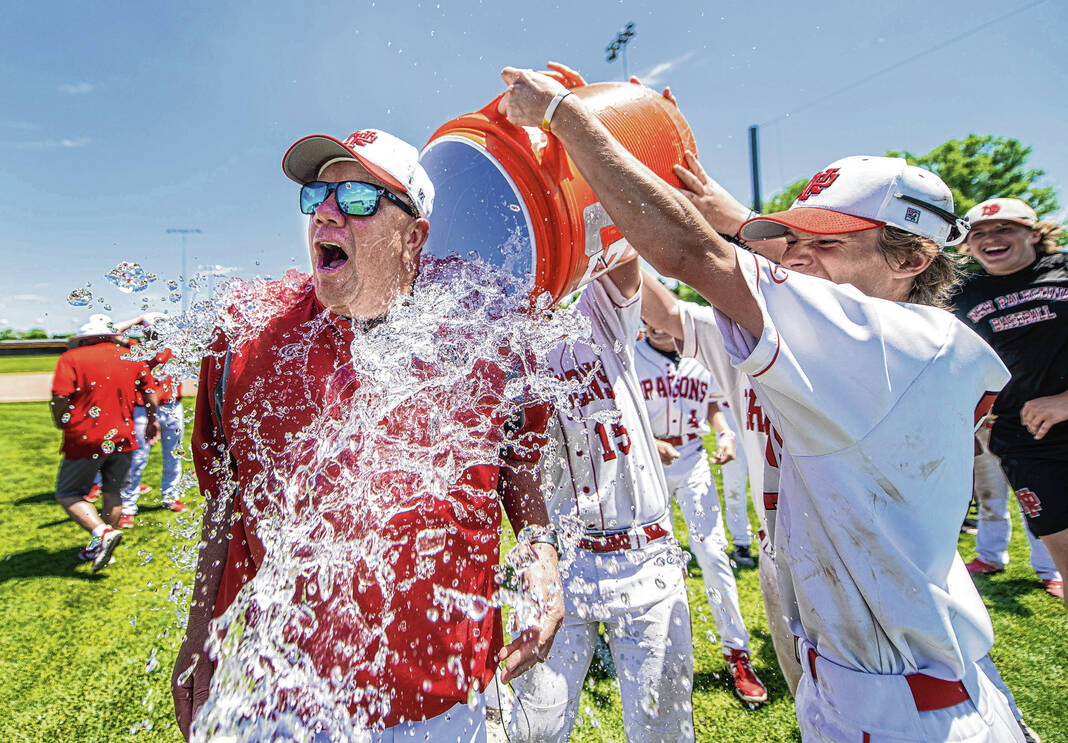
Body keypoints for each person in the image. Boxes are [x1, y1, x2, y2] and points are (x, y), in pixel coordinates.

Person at [496, 65, 1023, 741]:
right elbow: (700, 276)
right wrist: (675, 171)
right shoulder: (845, 336)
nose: (799, 260)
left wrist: (567, 116)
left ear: (914, 258)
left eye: (826, 243)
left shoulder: (895, 342)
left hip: (911, 711)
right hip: (853, 678)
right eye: (794, 241)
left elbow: (693, 254)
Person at [171, 128, 563, 741]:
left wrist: (541, 551)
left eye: (357, 197)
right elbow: (227, 495)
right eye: (319, 194)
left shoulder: (484, 331)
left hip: (445, 698)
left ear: (414, 238)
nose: (327, 210)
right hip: (290, 693)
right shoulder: (249, 336)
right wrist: (201, 632)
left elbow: (517, 459)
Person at [506, 257, 694, 743]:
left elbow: (622, 254)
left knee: (663, 731)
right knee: (533, 730)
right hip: (558, 559)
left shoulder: (594, 310)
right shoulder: (498, 337)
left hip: (642, 553)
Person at [633, 320, 767, 704]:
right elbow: (621, 412)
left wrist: (723, 432)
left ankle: (737, 653)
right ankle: (641, 651)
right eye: (651, 323)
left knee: (711, 553)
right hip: (648, 463)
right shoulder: (632, 355)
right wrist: (651, 442)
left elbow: (710, 402)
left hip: (692, 456)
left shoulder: (697, 353)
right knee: (648, 559)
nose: (660, 330)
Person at [951, 197, 1068, 606]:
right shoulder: (963, 292)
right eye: (979, 233)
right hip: (1024, 443)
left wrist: (1065, 401)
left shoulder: (1064, 271)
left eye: (1004, 229)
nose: (990, 239)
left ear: (1034, 233)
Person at [50, 314, 159, 572]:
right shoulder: (130, 356)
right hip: (123, 436)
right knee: (113, 492)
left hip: (85, 438)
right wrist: (153, 421)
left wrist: (62, 421)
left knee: (68, 493)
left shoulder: (71, 358)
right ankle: (105, 548)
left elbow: (60, 397)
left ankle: (101, 532)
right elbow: (150, 394)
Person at [118, 314, 189, 528]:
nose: (154, 333)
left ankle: (170, 496)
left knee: (174, 455)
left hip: (172, 406)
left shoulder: (172, 345)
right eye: (149, 329)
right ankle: (128, 507)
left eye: (156, 329)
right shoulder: (136, 347)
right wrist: (137, 319)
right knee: (137, 460)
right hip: (142, 410)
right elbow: (112, 331)